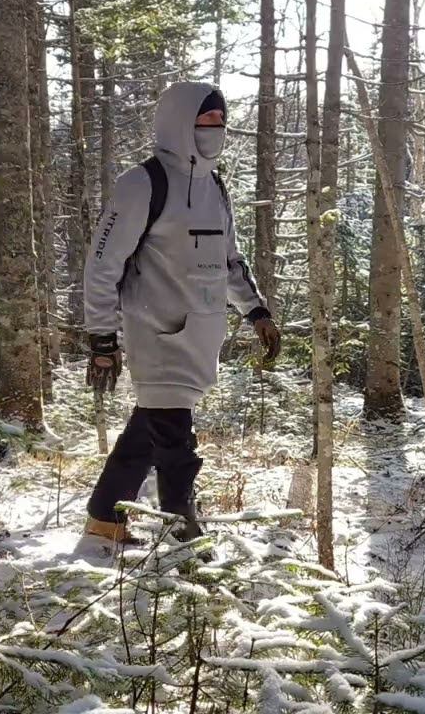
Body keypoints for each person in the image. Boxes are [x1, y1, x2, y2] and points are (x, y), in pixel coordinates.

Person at [82, 81, 281, 543]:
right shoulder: (142, 184)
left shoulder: (215, 186)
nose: (216, 128)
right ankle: (184, 539)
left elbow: (228, 260)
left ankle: (104, 517)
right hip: (155, 332)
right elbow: (102, 264)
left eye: (221, 120)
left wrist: (256, 312)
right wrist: (102, 339)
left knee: (148, 428)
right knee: (175, 444)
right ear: (179, 122)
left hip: (202, 335)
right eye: (205, 119)